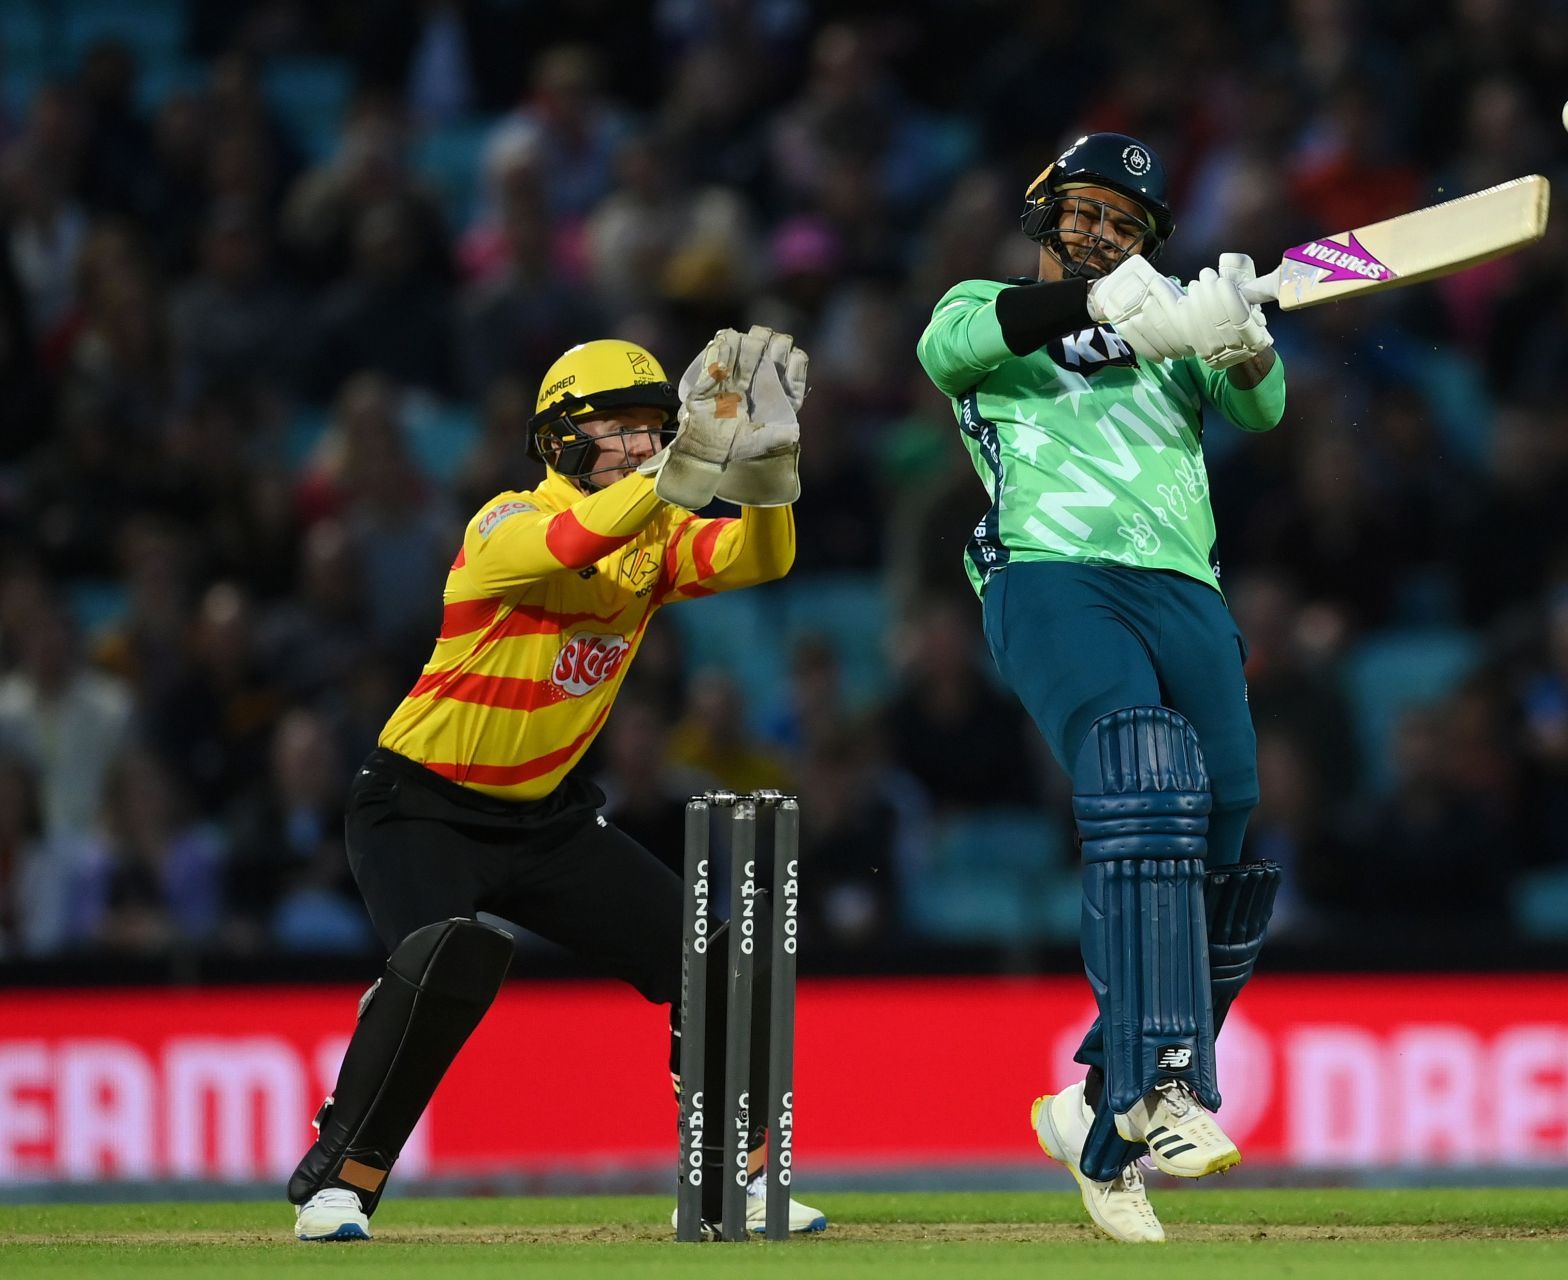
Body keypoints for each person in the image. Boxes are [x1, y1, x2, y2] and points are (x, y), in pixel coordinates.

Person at [286, 329, 825, 1242]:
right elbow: (574, 540)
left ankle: (729, 1179)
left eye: (653, 428)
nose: (641, 444)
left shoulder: (653, 535)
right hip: (418, 804)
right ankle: (342, 1183)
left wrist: (773, 475)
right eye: (616, 428)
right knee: (443, 959)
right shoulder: (502, 522)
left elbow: (760, 560)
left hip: (548, 817)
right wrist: (685, 466)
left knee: (714, 959)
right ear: (559, 440)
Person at [915, 133, 1288, 1243]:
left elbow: (1262, 411)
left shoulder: (1175, 337)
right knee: (1141, 766)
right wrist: (1129, 306)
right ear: (1044, 217)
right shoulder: (979, 303)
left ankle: (1100, 1108)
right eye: (1080, 214)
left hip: (1183, 581)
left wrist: (1240, 338)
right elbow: (956, 356)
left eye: (1122, 225)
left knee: (1223, 813)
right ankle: (1165, 1081)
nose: (1097, 234)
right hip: (1051, 572)